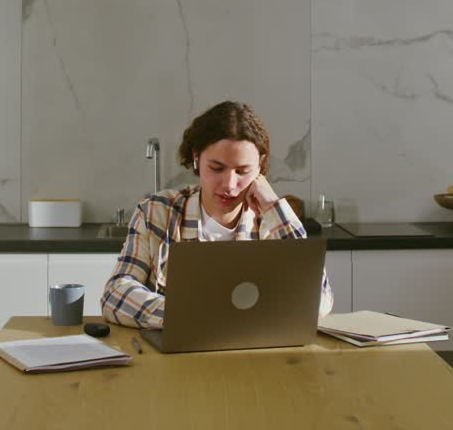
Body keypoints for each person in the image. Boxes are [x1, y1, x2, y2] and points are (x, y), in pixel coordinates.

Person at [101, 100, 333, 329]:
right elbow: (116, 293)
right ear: (196, 158)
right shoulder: (157, 212)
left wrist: (273, 205)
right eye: (217, 168)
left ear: (260, 166)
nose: (230, 185)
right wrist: (193, 314)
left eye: (243, 171)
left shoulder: (271, 222)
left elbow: (318, 300)